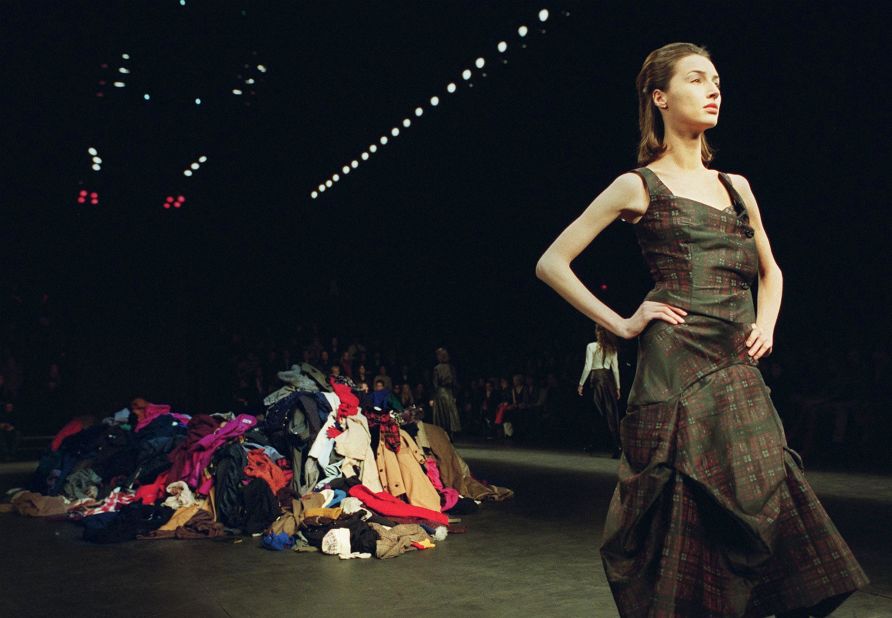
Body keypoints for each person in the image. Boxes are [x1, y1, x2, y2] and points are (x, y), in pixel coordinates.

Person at [535, 42, 866, 617]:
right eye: (696, 79)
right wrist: (622, 321)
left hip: (737, 362)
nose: (714, 89)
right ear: (659, 97)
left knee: (766, 493)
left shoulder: (736, 186)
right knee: (680, 507)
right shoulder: (637, 185)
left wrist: (767, 320)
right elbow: (552, 262)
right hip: (675, 367)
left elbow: (772, 269)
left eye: (716, 79)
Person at [577, 325, 622, 456]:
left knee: (596, 413)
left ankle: (593, 444)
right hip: (608, 380)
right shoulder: (612, 348)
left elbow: (588, 366)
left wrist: (581, 384)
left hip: (596, 379)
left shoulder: (591, 346)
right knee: (610, 413)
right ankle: (615, 447)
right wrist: (618, 387)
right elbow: (615, 369)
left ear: (597, 333)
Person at [430, 347, 461, 438]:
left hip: (440, 393)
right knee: (449, 415)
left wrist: (432, 398)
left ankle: (443, 436)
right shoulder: (451, 368)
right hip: (449, 393)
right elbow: (455, 382)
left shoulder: (437, 368)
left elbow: (435, 384)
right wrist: (454, 395)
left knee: (441, 416)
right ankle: (450, 435)